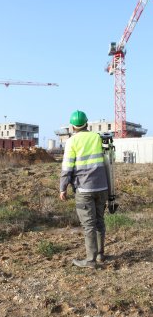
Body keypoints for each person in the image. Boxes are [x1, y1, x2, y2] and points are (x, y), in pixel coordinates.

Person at [60, 110, 108, 268]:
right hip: (102, 187)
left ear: (72, 127)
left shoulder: (72, 142)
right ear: (87, 124)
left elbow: (67, 167)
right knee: (100, 222)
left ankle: (90, 260)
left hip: (84, 189)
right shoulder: (96, 137)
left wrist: (63, 188)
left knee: (89, 226)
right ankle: (100, 255)